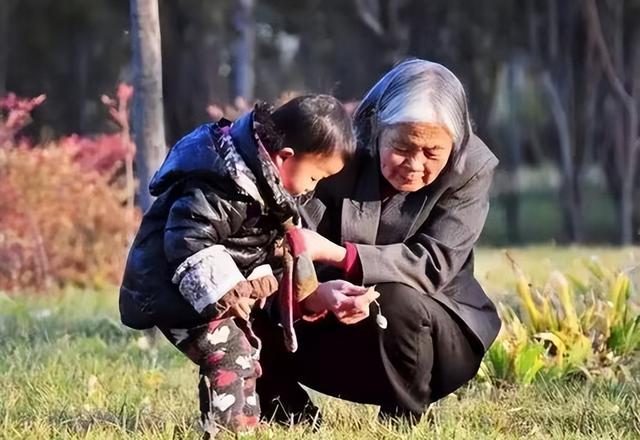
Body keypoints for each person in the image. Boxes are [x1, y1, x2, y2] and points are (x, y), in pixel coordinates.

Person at [255, 59, 502, 424]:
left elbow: (433, 264)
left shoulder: (472, 167)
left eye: (432, 153)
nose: (414, 165)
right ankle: (287, 411)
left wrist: (341, 256)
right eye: (402, 146)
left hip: (431, 341)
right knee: (244, 289)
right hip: (324, 323)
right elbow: (285, 240)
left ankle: (403, 416)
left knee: (396, 294)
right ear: (376, 127)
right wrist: (317, 291)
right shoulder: (334, 148)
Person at [118, 95, 377, 437]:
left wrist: (309, 291)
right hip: (177, 295)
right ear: (285, 158)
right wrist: (227, 290)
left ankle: (244, 423)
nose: (313, 189)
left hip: (207, 299)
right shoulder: (224, 185)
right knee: (230, 356)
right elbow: (186, 239)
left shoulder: (266, 193)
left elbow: (260, 252)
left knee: (246, 357)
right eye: (315, 177)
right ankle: (227, 429)